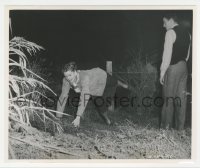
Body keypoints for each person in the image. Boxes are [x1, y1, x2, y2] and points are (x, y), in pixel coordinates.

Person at [56, 62, 128, 127]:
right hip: (94, 88)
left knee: (113, 81)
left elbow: (84, 96)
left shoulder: (84, 77)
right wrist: (58, 117)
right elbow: (63, 97)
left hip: (101, 76)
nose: (68, 78)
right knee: (100, 105)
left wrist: (78, 117)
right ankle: (108, 122)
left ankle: (120, 83)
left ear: (75, 72)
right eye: (66, 76)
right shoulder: (66, 80)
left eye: (70, 75)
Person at [160, 13, 191, 130]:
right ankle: (180, 130)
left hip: (172, 68)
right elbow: (187, 55)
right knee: (181, 100)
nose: (163, 25)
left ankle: (165, 129)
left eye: (165, 22)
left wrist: (162, 72)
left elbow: (167, 55)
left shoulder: (170, 33)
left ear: (171, 20)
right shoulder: (188, 34)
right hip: (184, 67)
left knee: (168, 98)